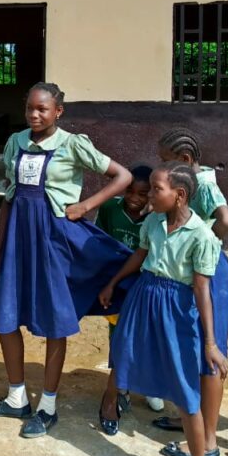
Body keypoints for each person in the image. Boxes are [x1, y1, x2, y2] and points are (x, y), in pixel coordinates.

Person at [0, 82, 133, 439]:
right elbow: (8, 198)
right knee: (6, 317)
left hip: (53, 242)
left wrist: (85, 206)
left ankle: (47, 405)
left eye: (43, 110)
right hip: (19, 238)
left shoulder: (72, 144)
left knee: (54, 322)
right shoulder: (15, 143)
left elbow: (123, 176)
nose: (35, 115)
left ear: (58, 111)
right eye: (30, 109)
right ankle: (17, 396)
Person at [98, 164, 228, 456]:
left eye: (156, 189)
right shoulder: (154, 221)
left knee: (185, 386)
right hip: (144, 296)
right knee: (124, 351)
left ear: (179, 195)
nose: (150, 195)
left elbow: (202, 289)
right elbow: (140, 255)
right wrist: (114, 282)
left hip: (177, 307)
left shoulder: (202, 236)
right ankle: (110, 400)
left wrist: (210, 344)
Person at [153, 129, 228, 456]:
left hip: (210, 273)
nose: (161, 165)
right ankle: (192, 419)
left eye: (165, 160)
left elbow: (226, 221)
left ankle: (210, 439)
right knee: (191, 345)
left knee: (209, 351)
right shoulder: (192, 182)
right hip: (196, 272)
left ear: (184, 161)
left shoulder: (204, 183)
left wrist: (204, 244)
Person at [95, 163, 165, 415]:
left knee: (150, 334)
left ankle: (150, 384)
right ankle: (121, 387)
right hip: (118, 282)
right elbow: (99, 241)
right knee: (119, 334)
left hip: (146, 284)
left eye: (142, 193)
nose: (134, 199)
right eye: (130, 191)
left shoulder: (158, 218)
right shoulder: (110, 209)